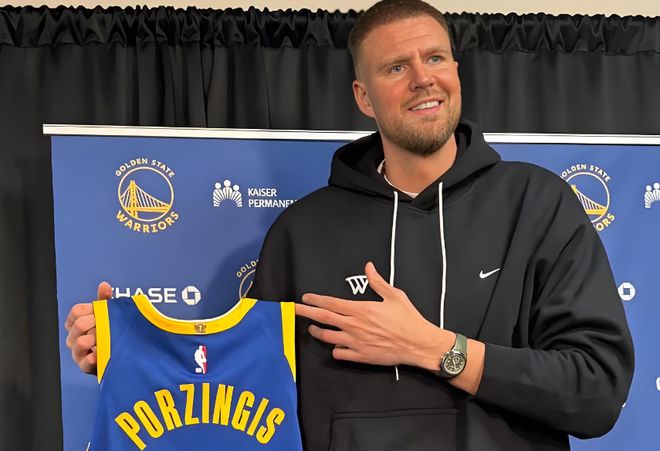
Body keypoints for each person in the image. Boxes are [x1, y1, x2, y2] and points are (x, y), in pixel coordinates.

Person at [66, 1, 634, 450]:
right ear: (364, 96)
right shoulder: (301, 231)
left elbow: (597, 391)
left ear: (457, 72)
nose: (423, 79)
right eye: (396, 67)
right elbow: (245, 394)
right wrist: (129, 353)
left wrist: (433, 348)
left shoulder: (538, 204)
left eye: (436, 58)